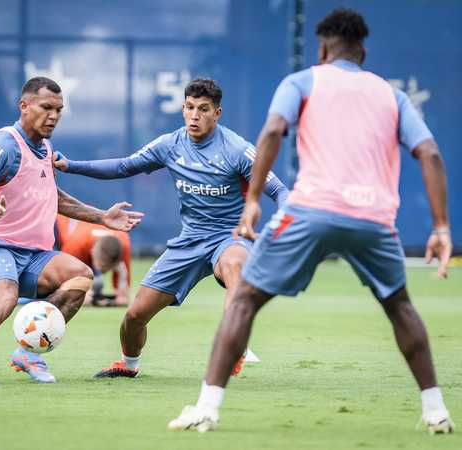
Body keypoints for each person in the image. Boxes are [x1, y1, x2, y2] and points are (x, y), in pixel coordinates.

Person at [168, 9, 454, 434]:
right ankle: (436, 411)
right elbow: (429, 153)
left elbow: (271, 132)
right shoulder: (390, 94)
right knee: (399, 307)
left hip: (310, 211)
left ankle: (207, 407)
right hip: (373, 219)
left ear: (321, 48)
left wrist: (251, 201)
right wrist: (442, 227)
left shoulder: (302, 80)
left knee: (244, 300)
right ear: (363, 51)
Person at [55, 78, 289, 378]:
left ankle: (234, 344)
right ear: (182, 108)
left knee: (236, 268)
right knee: (135, 316)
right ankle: (128, 365)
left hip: (228, 237)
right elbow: (125, 166)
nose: (195, 116)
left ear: (217, 113)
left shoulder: (238, 149)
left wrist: (282, 224)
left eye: (203, 109)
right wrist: (71, 165)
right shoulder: (170, 144)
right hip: (189, 242)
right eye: (190, 108)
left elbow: (281, 191)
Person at [0, 76, 143, 386]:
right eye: (47, 107)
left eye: (59, 109)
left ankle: (28, 354)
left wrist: (102, 217)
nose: (54, 116)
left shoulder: (44, 148)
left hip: (33, 254)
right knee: (4, 298)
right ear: (24, 106)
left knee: (80, 276)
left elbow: (54, 197)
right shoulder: (6, 143)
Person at [56, 215, 132, 306]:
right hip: (58, 225)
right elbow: (64, 289)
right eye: (102, 267)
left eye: (109, 268)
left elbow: (123, 299)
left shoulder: (123, 244)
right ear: (92, 253)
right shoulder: (76, 245)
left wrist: (122, 275)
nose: (104, 272)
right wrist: (81, 294)